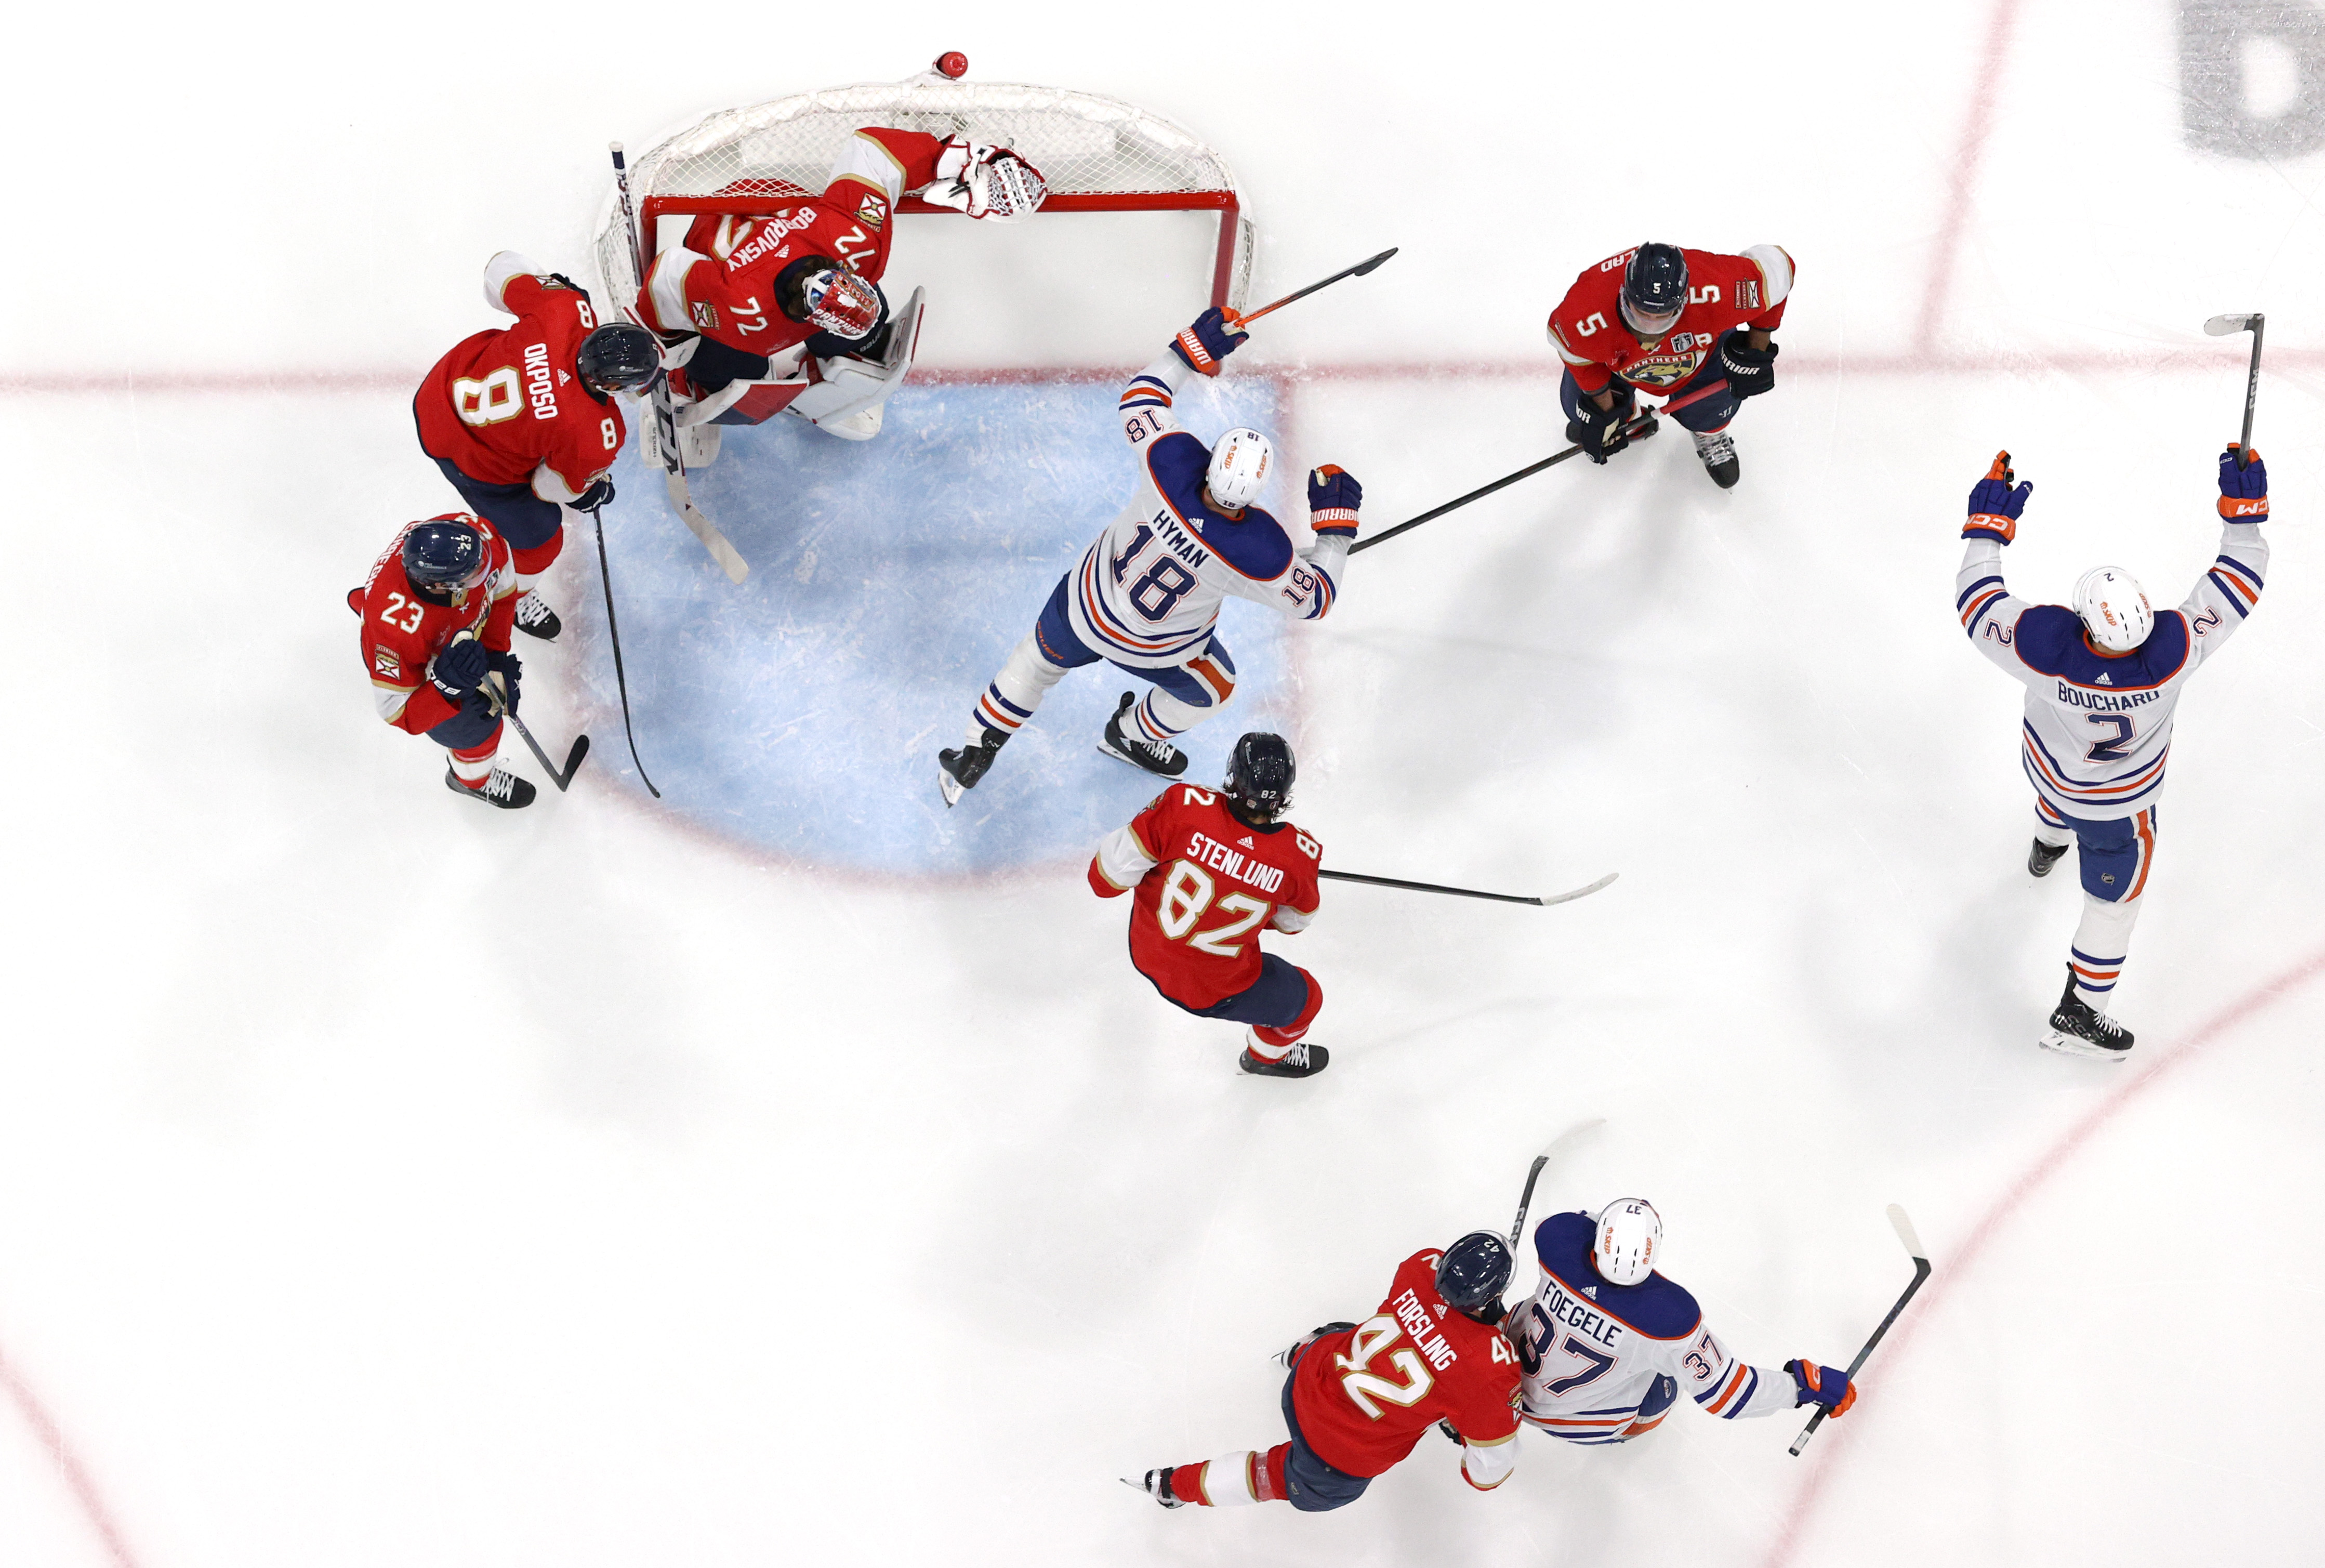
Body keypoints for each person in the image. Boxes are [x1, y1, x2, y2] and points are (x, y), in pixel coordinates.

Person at [937, 308, 1359, 803]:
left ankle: (975, 753)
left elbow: (1141, 396)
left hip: (1084, 606)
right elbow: (1317, 599)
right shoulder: (1258, 552)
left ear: (1211, 460)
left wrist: (1187, 351)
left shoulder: (1170, 461)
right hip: (1158, 650)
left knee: (1033, 665)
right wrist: (1336, 530)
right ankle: (1133, 734)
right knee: (1216, 688)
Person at [1957, 445, 2270, 1058]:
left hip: (2049, 769)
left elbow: (1976, 602)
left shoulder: (2043, 650)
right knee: (2114, 902)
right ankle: (2082, 1011)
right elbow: (2239, 579)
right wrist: (2244, 515)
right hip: (2115, 809)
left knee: (2056, 794)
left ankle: (2048, 843)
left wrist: (1986, 529)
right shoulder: (2175, 653)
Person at [633, 126, 1044, 448]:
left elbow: (876, 151)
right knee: (735, 367)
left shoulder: (858, 239)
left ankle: (830, 369)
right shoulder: (745, 310)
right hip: (719, 221)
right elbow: (668, 275)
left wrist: (965, 162)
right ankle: (691, 381)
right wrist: (664, 345)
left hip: (776, 205)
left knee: (871, 320)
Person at [1133, 1232, 1523, 1511]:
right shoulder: (1488, 1369)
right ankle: (1175, 1486)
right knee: (1278, 1477)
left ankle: (1297, 1350)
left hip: (1308, 1379)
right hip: (1335, 1456)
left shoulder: (1419, 1266)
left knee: (1347, 1333)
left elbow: (1433, 1322)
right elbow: (1487, 1470)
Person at [413, 253, 663, 640]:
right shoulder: (597, 434)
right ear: (612, 385)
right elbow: (546, 488)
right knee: (542, 538)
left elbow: (497, 269)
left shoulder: (566, 309)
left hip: (439, 389)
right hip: (465, 457)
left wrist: (546, 285)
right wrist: (586, 489)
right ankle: (511, 599)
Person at [1515, 1201, 1858, 1444]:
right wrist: (1802, 1385)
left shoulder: (1557, 1237)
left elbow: (1580, 1222)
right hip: (1580, 1424)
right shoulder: (1664, 1317)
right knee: (1671, 1377)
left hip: (1509, 1386)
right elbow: (1729, 1395)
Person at [1089, 734, 1328, 1077]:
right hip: (1218, 989)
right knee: (1308, 1000)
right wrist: (1267, 881)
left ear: (1234, 774)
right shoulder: (1297, 858)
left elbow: (1105, 881)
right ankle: (1266, 1056)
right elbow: (1293, 924)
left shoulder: (1182, 806)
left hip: (1149, 952)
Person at [1546, 241, 1795, 489]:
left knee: (1714, 404)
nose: (1650, 330)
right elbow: (1575, 355)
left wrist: (1755, 348)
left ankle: (1709, 432)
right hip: (1617, 359)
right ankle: (1630, 423)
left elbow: (1778, 267)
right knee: (1581, 406)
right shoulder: (1584, 313)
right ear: (1624, 294)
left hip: (1700, 358)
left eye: (1662, 316)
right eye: (1640, 313)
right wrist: (1607, 411)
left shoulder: (1718, 288)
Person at [349, 514, 533, 809]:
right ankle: (471, 781)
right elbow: (396, 712)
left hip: (449, 630)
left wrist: (495, 657)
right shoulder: (394, 632)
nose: (482, 575)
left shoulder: (478, 541)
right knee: (476, 727)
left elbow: (501, 586)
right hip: (420, 664)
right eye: (471, 578)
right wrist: (445, 687)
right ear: (436, 585)